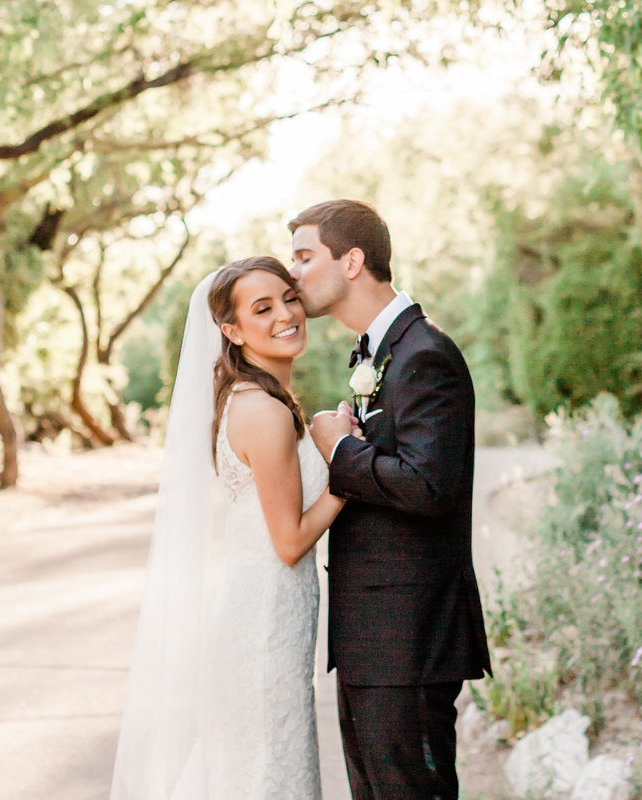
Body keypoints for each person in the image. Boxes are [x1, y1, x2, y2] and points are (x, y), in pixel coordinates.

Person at [110, 256, 345, 800]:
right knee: (267, 776)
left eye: (289, 298)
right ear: (232, 331)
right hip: (264, 627)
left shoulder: (258, 398)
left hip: (268, 621)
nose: (286, 313)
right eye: (262, 308)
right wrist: (342, 464)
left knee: (254, 772)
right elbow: (288, 542)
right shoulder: (261, 410)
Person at [289, 199, 492, 799]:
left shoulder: (424, 355)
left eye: (304, 256)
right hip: (374, 640)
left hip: (410, 639)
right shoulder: (379, 353)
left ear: (351, 261)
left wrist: (338, 450)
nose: (292, 273)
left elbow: (430, 486)